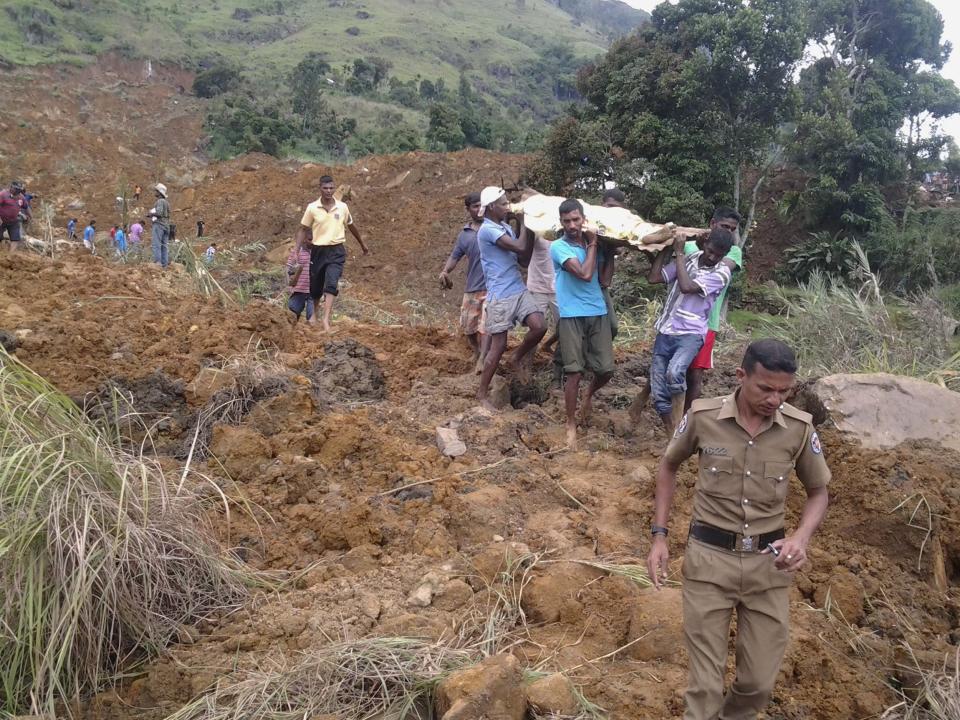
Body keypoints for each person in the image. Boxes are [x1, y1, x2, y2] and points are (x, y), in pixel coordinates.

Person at [646, 339, 831, 720]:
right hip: (709, 563)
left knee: (757, 684)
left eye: (784, 391)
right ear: (741, 376)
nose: (774, 399)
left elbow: (818, 493)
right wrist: (659, 536)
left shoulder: (798, 429)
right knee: (705, 688)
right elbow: (668, 466)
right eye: (765, 388)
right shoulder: (702, 416)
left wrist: (800, 537)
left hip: (768, 568)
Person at [647, 228, 735, 434]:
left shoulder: (721, 273)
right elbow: (654, 278)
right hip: (666, 329)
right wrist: (664, 248)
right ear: (705, 244)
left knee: (675, 372)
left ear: (725, 255)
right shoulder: (691, 258)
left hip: (690, 333)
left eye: (718, 255)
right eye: (710, 251)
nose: (712, 257)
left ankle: (680, 427)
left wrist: (678, 252)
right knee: (659, 393)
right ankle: (673, 435)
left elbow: (686, 286)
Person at [550, 199, 615, 448]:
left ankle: (588, 396)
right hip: (571, 315)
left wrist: (607, 253)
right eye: (567, 221)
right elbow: (585, 274)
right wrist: (594, 243)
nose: (572, 225)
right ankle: (570, 423)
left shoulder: (593, 247)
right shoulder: (558, 247)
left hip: (597, 311)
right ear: (561, 223)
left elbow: (604, 279)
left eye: (576, 220)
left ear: (583, 219)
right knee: (574, 371)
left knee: (606, 369)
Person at [475, 186, 546, 411]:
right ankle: (482, 393)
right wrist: (525, 220)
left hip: (517, 288)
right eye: (504, 204)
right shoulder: (487, 230)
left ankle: (516, 357)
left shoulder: (503, 226)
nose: (507, 207)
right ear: (492, 207)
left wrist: (528, 227)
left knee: (539, 326)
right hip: (500, 295)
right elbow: (518, 245)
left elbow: (523, 258)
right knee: (498, 346)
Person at [684, 207, 744, 409]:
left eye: (732, 229)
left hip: (707, 322)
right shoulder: (689, 244)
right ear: (712, 224)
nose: (728, 232)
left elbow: (715, 268)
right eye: (724, 226)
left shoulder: (733, 252)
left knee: (695, 374)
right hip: (679, 317)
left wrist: (697, 248)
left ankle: (687, 421)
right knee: (664, 363)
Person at [294, 175, 369, 333]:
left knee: (331, 283)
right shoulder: (312, 208)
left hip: (336, 251)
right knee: (316, 287)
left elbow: (351, 226)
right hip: (318, 251)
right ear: (320, 188)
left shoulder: (342, 207)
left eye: (331, 188)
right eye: (325, 188)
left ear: (334, 189)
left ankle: (326, 320)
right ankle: (313, 315)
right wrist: (296, 249)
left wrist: (362, 244)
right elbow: (303, 229)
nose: (328, 191)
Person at [439, 192, 490, 370]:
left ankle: (483, 358)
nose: (479, 209)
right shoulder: (465, 235)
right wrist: (445, 271)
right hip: (473, 287)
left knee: (486, 326)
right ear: (468, 209)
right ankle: (476, 351)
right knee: (468, 327)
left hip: (493, 287)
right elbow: (455, 256)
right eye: (475, 206)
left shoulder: (494, 228)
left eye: (482, 205)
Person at [598, 188, 626, 338]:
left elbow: (605, 281)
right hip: (582, 285)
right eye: (609, 206)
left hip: (599, 286)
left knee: (612, 327)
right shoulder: (592, 225)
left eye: (617, 208)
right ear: (602, 205)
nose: (612, 211)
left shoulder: (617, 229)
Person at [286, 241, 314, 324]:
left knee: (311, 315)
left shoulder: (318, 252)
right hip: (298, 289)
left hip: (313, 291)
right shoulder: (297, 252)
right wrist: (289, 285)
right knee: (293, 312)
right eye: (309, 238)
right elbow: (288, 268)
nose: (312, 241)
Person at [149, 183, 171, 267]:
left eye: (156, 191)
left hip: (159, 225)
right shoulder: (167, 203)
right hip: (166, 226)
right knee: (164, 246)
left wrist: (150, 214)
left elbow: (159, 213)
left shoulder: (160, 201)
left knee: (156, 244)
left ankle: (157, 263)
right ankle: (164, 264)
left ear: (159, 192)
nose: (155, 192)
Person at [0, 181, 27, 251]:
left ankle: (10, 255)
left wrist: (30, 216)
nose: (19, 191)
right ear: (11, 187)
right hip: (1, 219)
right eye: (17, 189)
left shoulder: (21, 197)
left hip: (13, 221)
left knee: (15, 238)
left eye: (20, 190)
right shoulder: (3, 194)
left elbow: (26, 207)